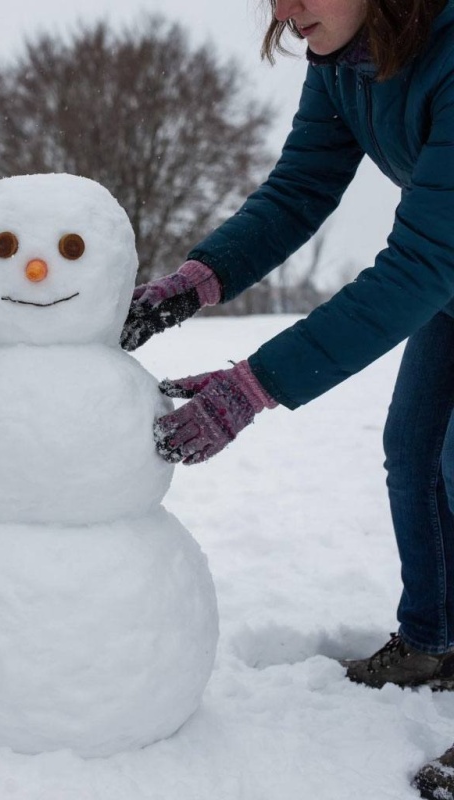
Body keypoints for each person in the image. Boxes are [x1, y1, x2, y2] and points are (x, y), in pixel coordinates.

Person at [121, 0, 454, 796]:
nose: (285, 8)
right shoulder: (346, 57)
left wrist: (254, 387)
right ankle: (433, 641)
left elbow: (419, 261)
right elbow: (300, 189)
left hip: (439, 268)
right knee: (414, 453)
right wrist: (189, 286)